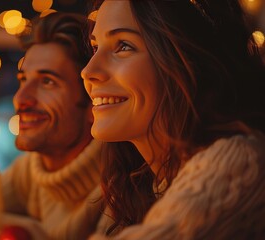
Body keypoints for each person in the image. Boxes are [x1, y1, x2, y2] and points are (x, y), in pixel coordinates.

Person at [81, 0, 265, 239]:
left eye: (123, 46)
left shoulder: (238, 163)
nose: (88, 71)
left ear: (188, 62)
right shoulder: (139, 183)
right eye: (95, 48)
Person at [0, 12, 105, 239]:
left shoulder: (120, 187)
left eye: (47, 82)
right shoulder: (32, 169)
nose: (20, 99)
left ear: (93, 102)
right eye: (24, 80)